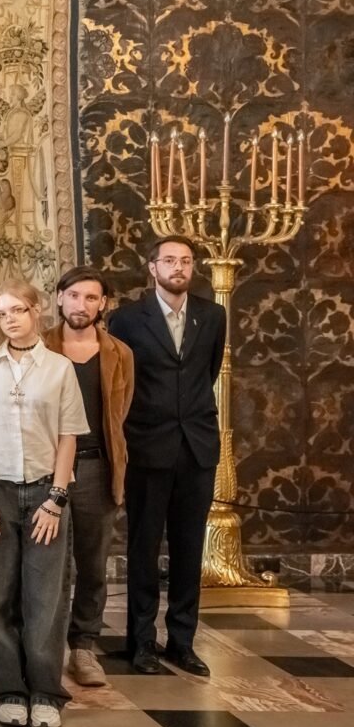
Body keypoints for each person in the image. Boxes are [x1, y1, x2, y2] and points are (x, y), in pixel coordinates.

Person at [0, 281, 88, 727]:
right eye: (1, 314)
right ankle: (9, 691)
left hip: (44, 492)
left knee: (45, 597)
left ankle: (45, 691)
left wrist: (56, 499)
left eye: (18, 310)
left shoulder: (59, 368)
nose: (10, 320)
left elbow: (68, 436)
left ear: (37, 310)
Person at [107, 235, 225, 678]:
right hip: (146, 446)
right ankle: (140, 642)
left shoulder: (212, 316)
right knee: (143, 547)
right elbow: (120, 380)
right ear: (152, 267)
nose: (179, 267)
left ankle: (182, 642)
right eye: (170, 260)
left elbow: (207, 372)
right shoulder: (126, 319)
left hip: (196, 448)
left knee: (189, 548)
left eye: (186, 261)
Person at [44, 267, 133, 688]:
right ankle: (46, 647)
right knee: (49, 562)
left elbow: (120, 413)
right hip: (46, 468)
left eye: (91, 298)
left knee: (93, 563)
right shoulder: (39, 346)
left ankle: (83, 647)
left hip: (97, 466)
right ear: (60, 298)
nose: (82, 305)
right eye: (75, 295)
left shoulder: (119, 353)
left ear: (103, 304)